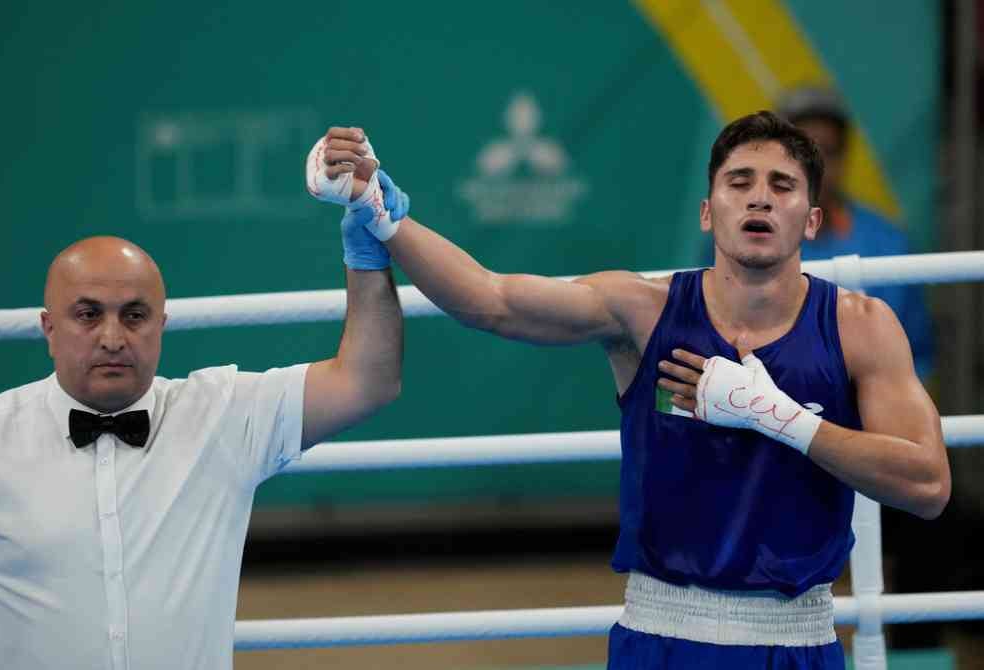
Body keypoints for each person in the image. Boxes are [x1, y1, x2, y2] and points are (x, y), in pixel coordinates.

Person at [309, 112, 951, 669]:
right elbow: (492, 300)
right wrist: (383, 214)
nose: (759, 198)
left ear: (811, 219)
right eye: (738, 182)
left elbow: (927, 487)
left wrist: (780, 418)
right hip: (662, 638)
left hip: (797, 643)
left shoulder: (861, 328)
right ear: (709, 210)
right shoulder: (641, 310)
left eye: (781, 186)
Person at [0, 160, 405, 669]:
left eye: (134, 316)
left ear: (162, 324)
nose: (112, 337)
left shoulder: (221, 414)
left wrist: (369, 252)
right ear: (49, 328)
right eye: (88, 314)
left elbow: (366, 381)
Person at [702, 86, 936, 379]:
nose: (817, 164)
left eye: (828, 150)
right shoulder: (733, 234)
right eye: (800, 152)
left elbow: (916, 357)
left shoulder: (889, 242)